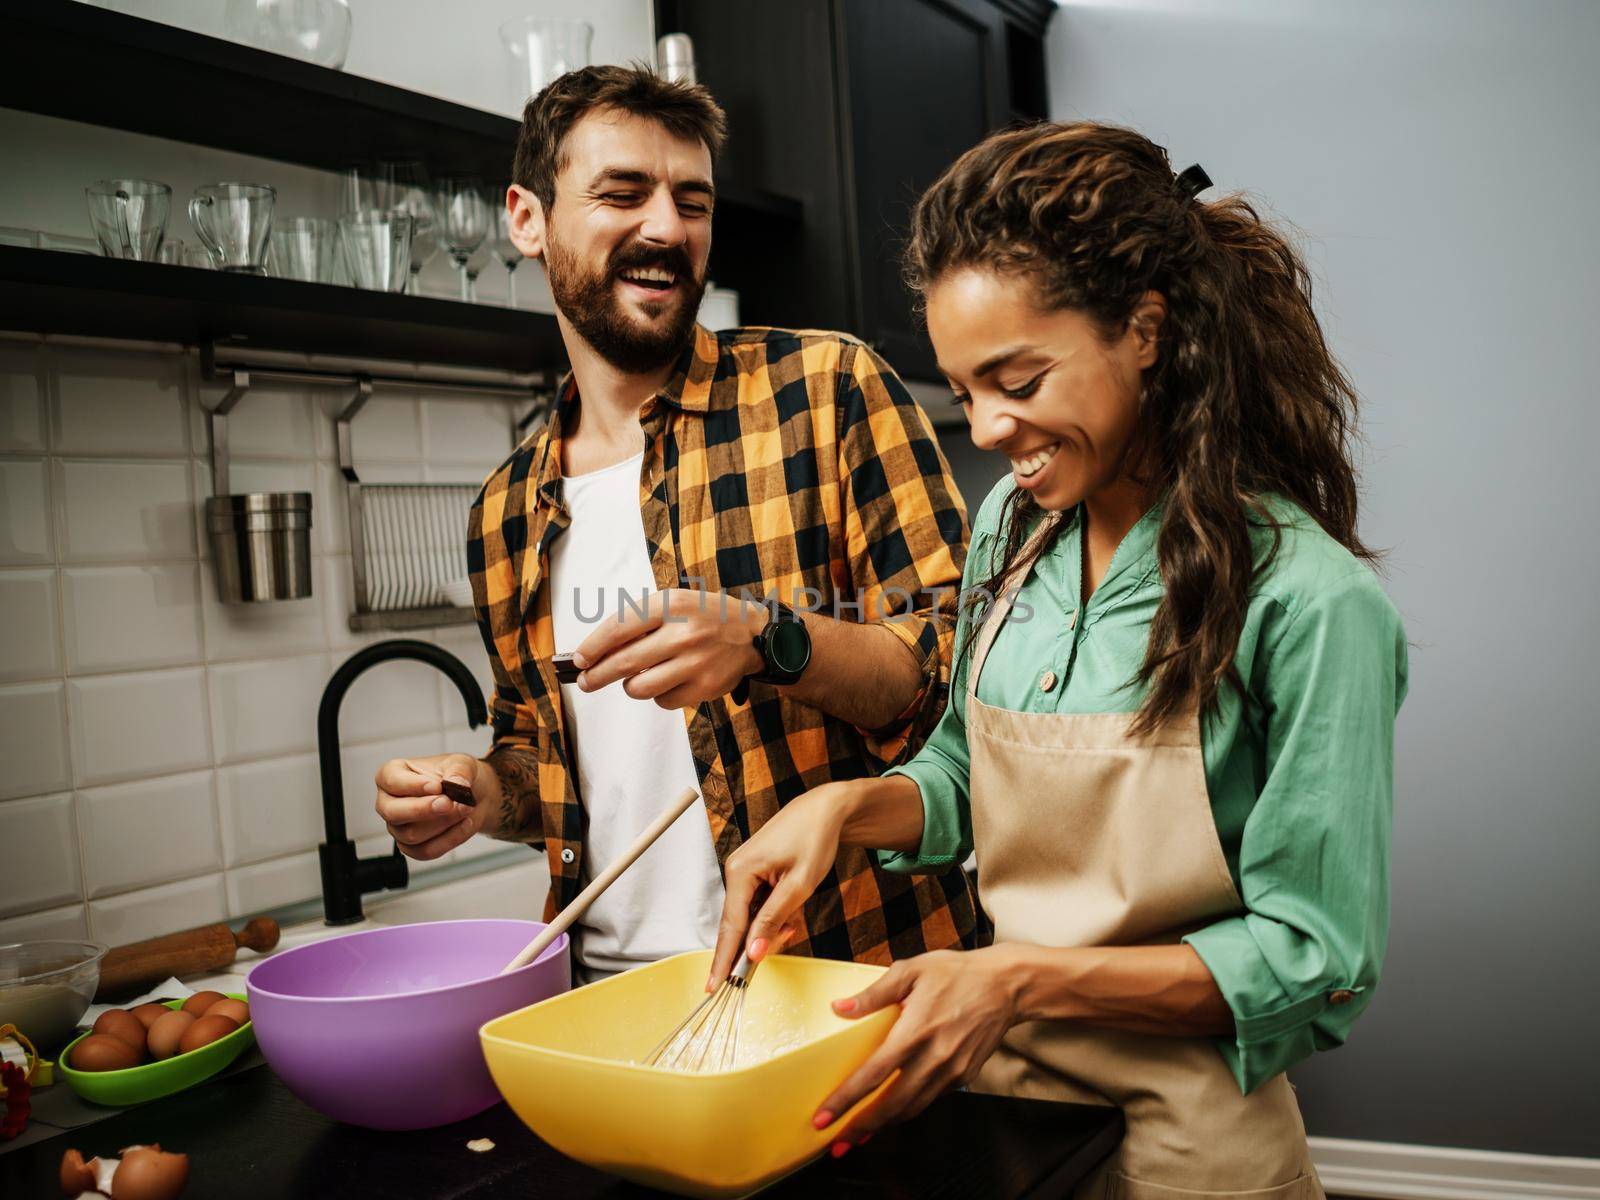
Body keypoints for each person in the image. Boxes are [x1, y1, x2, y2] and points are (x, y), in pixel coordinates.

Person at [709, 121, 1408, 1198]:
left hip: (1190, 1139)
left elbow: (1315, 962)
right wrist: (844, 812)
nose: (986, 426)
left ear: (1145, 330)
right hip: (999, 1108)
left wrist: (1016, 977)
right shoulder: (1012, 528)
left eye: (1018, 380)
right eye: (963, 387)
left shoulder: (1309, 603)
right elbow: (962, 771)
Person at [372, 65, 979, 982]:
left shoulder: (826, 391)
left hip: (847, 979)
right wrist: (480, 792)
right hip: (611, 993)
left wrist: (769, 639)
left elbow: (958, 679)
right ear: (527, 220)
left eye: (691, 202)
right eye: (623, 193)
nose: (666, 227)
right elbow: (543, 758)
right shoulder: (503, 510)